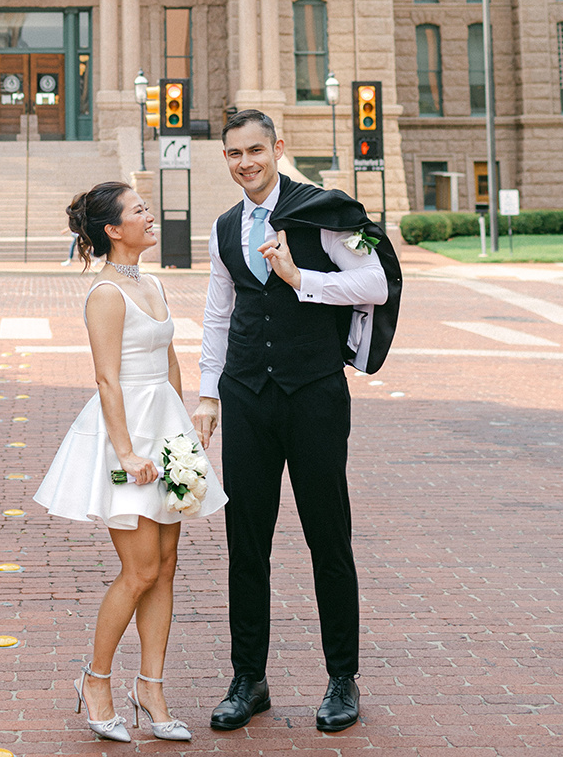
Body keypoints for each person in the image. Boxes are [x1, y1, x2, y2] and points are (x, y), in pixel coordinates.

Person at [193, 109, 402, 735]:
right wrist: (208, 394)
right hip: (248, 396)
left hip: (313, 394)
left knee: (327, 536)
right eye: (235, 154)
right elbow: (218, 314)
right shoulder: (225, 227)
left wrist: (299, 277)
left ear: (277, 148)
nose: (246, 163)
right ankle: (248, 678)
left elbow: (376, 283)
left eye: (256, 150)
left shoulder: (324, 211)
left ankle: (343, 678)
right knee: (245, 542)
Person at [35, 180, 226, 744]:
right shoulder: (105, 294)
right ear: (113, 230)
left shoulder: (154, 283)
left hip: (164, 430)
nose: (149, 214)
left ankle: (151, 688)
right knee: (140, 569)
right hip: (126, 437)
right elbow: (105, 378)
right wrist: (127, 452)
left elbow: (169, 361)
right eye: (138, 210)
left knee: (167, 565)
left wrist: (184, 434)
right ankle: (96, 681)